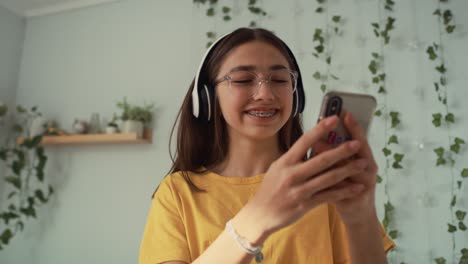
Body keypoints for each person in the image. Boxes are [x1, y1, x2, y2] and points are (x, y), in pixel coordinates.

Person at [139, 27, 395, 264]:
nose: (265, 94)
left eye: (279, 80)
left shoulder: (324, 185)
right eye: (242, 80)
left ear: (296, 96)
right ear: (208, 98)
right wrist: (258, 216)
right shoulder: (177, 193)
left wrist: (360, 216)